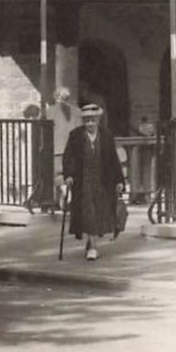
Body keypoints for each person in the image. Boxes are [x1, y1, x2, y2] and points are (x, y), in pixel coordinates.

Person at [62, 103, 124, 261]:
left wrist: (119, 180)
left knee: (99, 212)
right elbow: (68, 157)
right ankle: (92, 246)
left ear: (98, 120)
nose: (90, 124)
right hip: (83, 180)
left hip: (103, 180)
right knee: (88, 212)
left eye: (93, 120)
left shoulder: (106, 135)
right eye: (87, 121)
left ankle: (91, 242)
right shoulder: (75, 135)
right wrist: (68, 175)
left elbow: (113, 159)